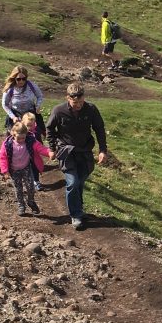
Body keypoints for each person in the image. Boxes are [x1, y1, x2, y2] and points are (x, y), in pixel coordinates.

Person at [46, 82, 108, 230]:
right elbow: (49, 128)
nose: (78, 105)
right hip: (66, 152)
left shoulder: (91, 109)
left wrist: (102, 150)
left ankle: (78, 208)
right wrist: (52, 148)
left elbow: (99, 129)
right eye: (75, 103)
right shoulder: (59, 110)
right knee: (73, 182)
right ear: (68, 98)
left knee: (80, 181)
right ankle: (76, 215)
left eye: (81, 102)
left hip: (85, 152)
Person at [0, 120, 46, 217]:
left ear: (26, 135)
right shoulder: (7, 144)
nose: (21, 140)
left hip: (26, 168)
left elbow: (40, 148)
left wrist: (48, 152)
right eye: (18, 138)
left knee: (30, 187)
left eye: (23, 138)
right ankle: (21, 205)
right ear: (13, 133)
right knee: (18, 188)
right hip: (14, 170)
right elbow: (2, 157)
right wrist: (5, 171)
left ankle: (31, 201)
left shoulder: (30, 141)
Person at [1, 67, 44, 133]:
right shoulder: (10, 88)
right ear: (14, 78)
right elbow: (5, 104)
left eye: (24, 79)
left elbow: (40, 96)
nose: (21, 81)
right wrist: (13, 117)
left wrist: (38, 106)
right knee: (15, 136)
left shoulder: (31, 85)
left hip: (30, 114)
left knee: (37, 134)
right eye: (18, 79)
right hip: (16, 115)